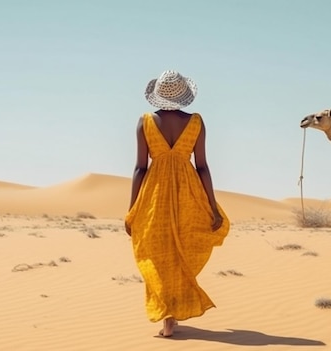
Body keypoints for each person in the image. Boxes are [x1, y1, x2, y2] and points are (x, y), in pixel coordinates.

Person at [125, 70, 230, 337]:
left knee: (157, 254)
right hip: (188, 193)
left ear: (157, 95)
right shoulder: (196, 122)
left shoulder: (145, 122)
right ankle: (172, 313)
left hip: (154, 196)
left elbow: (140, 168)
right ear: (184, 96)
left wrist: (132, 209)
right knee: (182, 251)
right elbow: (203, 167)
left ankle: (167, 317)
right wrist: (213, 205)